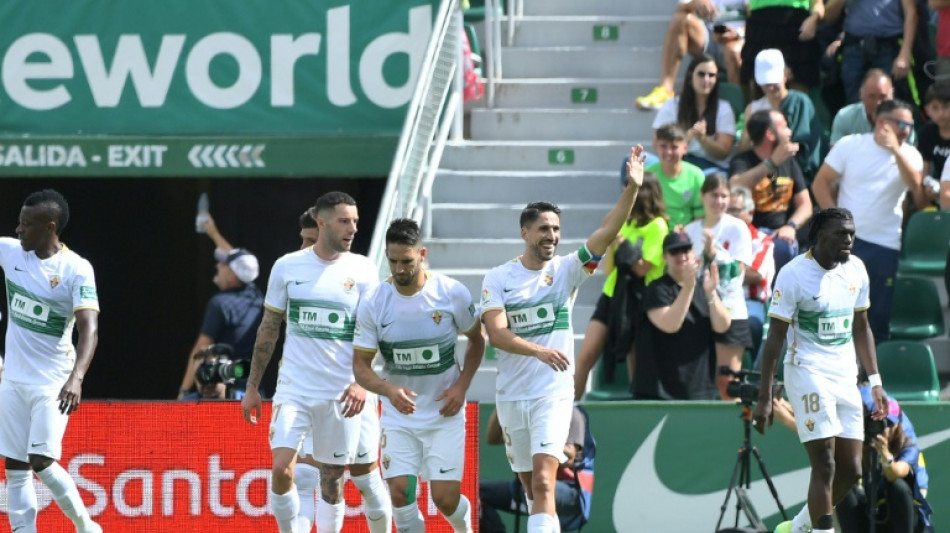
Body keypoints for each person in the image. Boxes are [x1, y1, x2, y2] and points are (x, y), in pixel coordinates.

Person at [479, 145, 644, 533]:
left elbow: (606, 232)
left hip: (552, 393)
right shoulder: (499, 278)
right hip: (512, 395)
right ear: (525, 232)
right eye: (543, 229)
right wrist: (539, 349)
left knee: (542, 481)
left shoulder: (568, 270)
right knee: (529, 488)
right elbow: (498, 335)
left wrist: (632, 191)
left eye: (556, 229)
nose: (552, 235)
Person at [241, 191, 392, 533]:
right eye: (344, 220)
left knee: (334, 481)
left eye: (355, 221)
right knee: (282, 469)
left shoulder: (364, 269)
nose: (352, 228)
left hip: (342, 395)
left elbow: (377, 333)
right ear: (321, 222)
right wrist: (252, 387)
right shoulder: (287, 266)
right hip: (295, 389)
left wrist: (360, 382)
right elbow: (268, 329)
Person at [752, 207, 889, 533]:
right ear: (819, 236)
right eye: (841, 233)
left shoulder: (856, 269)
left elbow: (861, 327)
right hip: (807, 370)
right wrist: (764, 394)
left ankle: (798, 527)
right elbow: (775, 340)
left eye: (852, 233)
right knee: (824, 462)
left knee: (851, 469)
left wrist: (875, 381)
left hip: (845, 377)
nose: (849, 239)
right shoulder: (793, 274)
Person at [352, 218, 485, 533]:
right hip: (401, 416)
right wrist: (387, 389)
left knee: (445, 499)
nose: (399, 269)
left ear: (422, 253)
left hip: (444, 411)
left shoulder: (451, 292)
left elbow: (477, 341)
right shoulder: (373, 301)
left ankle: (465, 528)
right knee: (400, 492)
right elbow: (360, 365)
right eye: (393, 261)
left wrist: (461, 386)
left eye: (407, 261)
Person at [0, 189, 102, 533]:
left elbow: (89, 329)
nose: (18, 229)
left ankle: (85, 525)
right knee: (15, 468)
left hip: (52, 382)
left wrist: (77, 378)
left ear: (50, 227)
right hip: (13, 379)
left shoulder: (76, 269)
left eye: (26, 225)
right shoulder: (10, 252)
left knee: (41, 461)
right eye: (19, 221)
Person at [812, 99, 925, 342]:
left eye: (910, 125)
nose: (907, 130)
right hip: (846, 244)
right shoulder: (850, 145)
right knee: (837, 311)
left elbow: (915, 186)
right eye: (902, 123)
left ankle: (872, 378)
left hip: (885, 245)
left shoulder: (910, 155)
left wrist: (895, 149)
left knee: (878, 316)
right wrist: (835, 224)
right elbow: (820, 183)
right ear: (882, 122)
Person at [573, 177, 669, 399]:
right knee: (586, 356)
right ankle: (570, 410)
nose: (626, 193)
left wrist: (620, 241)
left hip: (641, 297)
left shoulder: (658, 225)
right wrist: (617, 225)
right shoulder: (624, 224)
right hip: (613, 295)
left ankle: (634, 410)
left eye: (632, 190)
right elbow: (609, 267)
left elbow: (643, 268)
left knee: (635, 362)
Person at [633, 231, 732, 399]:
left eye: (686, 250)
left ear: (693, 254)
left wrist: (711, 294)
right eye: (674, 252)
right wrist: (688, 287)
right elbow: (670, 325)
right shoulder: (656, 289)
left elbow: (722, 326)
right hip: (660, 390)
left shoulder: (704, 287)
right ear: (665, 257)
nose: (682, 256)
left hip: (699, 387)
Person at [178, 213, 263, 400]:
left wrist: (184, 390)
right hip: (254, 393)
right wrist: (213, 233)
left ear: (232, 276)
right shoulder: (257, 297)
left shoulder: (220, 304)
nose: (217, 266)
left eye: (223, 265)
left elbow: (200, 349)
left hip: (222, 392)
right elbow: (244, 266)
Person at [684, 174, 754, 399]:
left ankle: (735, 431)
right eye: (714, 195)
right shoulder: (689, 230)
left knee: (728, 382)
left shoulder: (738, 228)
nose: (719, 201)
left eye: (724, 196)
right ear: (703, 196)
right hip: (697, 312)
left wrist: (714, 254)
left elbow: (738, 272)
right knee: (699, 380)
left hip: (731, 310)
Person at [479, 407, 594, 533]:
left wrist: (536, 443)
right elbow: (493, 439)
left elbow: (569, 456)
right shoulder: (524, 407)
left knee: (538, 485)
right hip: (528, 485)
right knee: (476, 493)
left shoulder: (570, 410)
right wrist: (504, 399)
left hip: (570, 492)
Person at [837, 390, 935, 533]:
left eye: (885, 424)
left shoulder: (908, 447)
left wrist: (884, 455)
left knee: (897, 486)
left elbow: (894, 474)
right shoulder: (861, 446)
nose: (879, 430)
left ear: (896, 426)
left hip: (908, 522)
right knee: (844, 489)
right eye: (872, 423)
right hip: (874, 517)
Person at [730, 109, 813, 273]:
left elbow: (806, 205)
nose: (790, 132)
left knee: (785, 247)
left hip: (781, 233)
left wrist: (791, 226)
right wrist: (771, 163)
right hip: (750, 233)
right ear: (770, 134)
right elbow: (735, 186)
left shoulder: (790, 163)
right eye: (784, 127)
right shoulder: (743, 161)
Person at [634, 0, 745, 111]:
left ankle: (736, 107)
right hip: (707, 34)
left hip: (737, 38)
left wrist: (738, 33)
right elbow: (681, 7)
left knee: (732, 51)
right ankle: (665, 90)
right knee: (680, 18)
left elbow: (757, 16)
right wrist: (695, 3)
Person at [738, 49, 824, 181]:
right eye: (766, 83)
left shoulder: (800, 102)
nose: (770, 88)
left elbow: (800, 146)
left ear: (786, 75)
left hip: (793, 173)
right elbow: (744, 149)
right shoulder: (752, 108)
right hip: (761, 172)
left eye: (774, 82)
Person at [651, 54, 737, 172]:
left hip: (710, 166)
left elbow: (723, 153)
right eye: (701, 74)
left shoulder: (724, 108)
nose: (706, 80)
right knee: (633, 161)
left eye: (711, 75)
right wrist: (685, 138)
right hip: (677, 161)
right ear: (691, 75)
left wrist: (703, 139)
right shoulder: (671, 105)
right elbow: (657, 143)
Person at [823, 0, 916, 104]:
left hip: (888, 46)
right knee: (854, 102)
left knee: (888, 102)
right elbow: (828, 16)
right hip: (854, 47)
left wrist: (905, 54)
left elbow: (911, 14)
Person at [728, 186, 775, 361]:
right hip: (716, 298)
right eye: (727, 210)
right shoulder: (718, 235)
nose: (729, 215)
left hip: (750, 300)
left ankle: (752, 379)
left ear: (750, 213)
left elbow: (755, 274)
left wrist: (721, 270)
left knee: (752, 325)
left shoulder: (762, 241)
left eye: (734, 210)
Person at [739, 0, 824, 94]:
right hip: (760, 27)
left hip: (795, 27)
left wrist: (814, 19)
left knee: (799, 83)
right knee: (755, 85)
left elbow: (817, 4)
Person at [830, 70, 914, 146]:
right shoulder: (845, 117)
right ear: (861, 94)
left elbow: (910, 157)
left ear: (892, 94)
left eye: (883, 97)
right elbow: (834, 156)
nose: (878, 103)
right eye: (872, 96)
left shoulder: (904, 121)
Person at [646, 124, 706, 228]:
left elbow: (699, 216)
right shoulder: (647, 174)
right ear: (657, 147)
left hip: (685, 236)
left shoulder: (696, 176)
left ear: (685, 148)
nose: (669, 152)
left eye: (674, 147)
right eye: (663, 146)